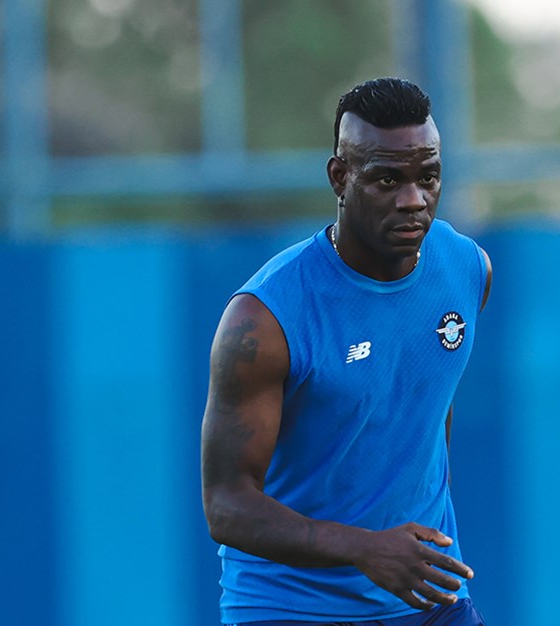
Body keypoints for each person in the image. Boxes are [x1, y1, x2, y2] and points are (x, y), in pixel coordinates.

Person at [200, 76, 492, 626]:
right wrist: (365, 547)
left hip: (426, 598)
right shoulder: (264, 318)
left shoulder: (467, 268)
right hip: (291, 608)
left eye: (428, 177)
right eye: (387, 179)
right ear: (340, 176)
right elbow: (226, 505)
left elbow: (429, 397)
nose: (413, 200)